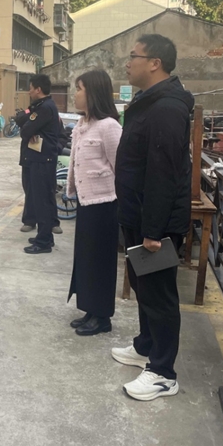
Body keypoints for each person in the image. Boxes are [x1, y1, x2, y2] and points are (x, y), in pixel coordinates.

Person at [111, 34, 193, 401]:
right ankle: (146, 345)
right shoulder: (149, 102)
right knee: (143, 287)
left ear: (155, 63)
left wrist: (154, 231)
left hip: (154, 223)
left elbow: (164, 172)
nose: (128, 63)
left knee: (159, 296)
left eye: (134, 56)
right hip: (139, 214)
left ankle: (162, 373)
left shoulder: (167, 108)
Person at [65, 69, 122, 336]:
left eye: (79, 89)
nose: (75, 94)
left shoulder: (109, 126)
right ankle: (90, 309)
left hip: (104, 205)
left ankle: (102, 316)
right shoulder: (82, 124)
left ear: (93, 93)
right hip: (86, 203)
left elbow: (120, 167)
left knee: (100, 261)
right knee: (86, 259)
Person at [15, 74, 60, 254]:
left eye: (31, 88)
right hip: (39, 159)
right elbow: (21, 120)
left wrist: (29, 128)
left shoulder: (45, 108)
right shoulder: (40, 107)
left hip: (43, 160)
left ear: (38, 89)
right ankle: (45, 236)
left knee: (42, 201)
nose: (29, 92)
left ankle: (43, 242)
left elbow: (26, 130)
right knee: (39, 198)